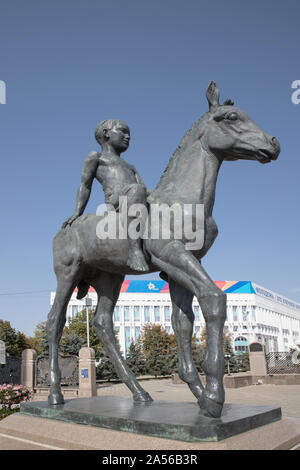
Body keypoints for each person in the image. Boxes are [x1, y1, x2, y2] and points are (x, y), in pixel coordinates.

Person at [62, 119, 149, 272]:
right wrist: (77, 212)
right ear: (106, 133)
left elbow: (144, 190)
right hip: (116, 201)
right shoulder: (96, 157)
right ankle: (135, 251)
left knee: (157, 198)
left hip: (135, 199)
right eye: (123, 131)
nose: (128, 136)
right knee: (137, 190)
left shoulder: (131, 167)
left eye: (129, 133)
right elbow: (85, 185)